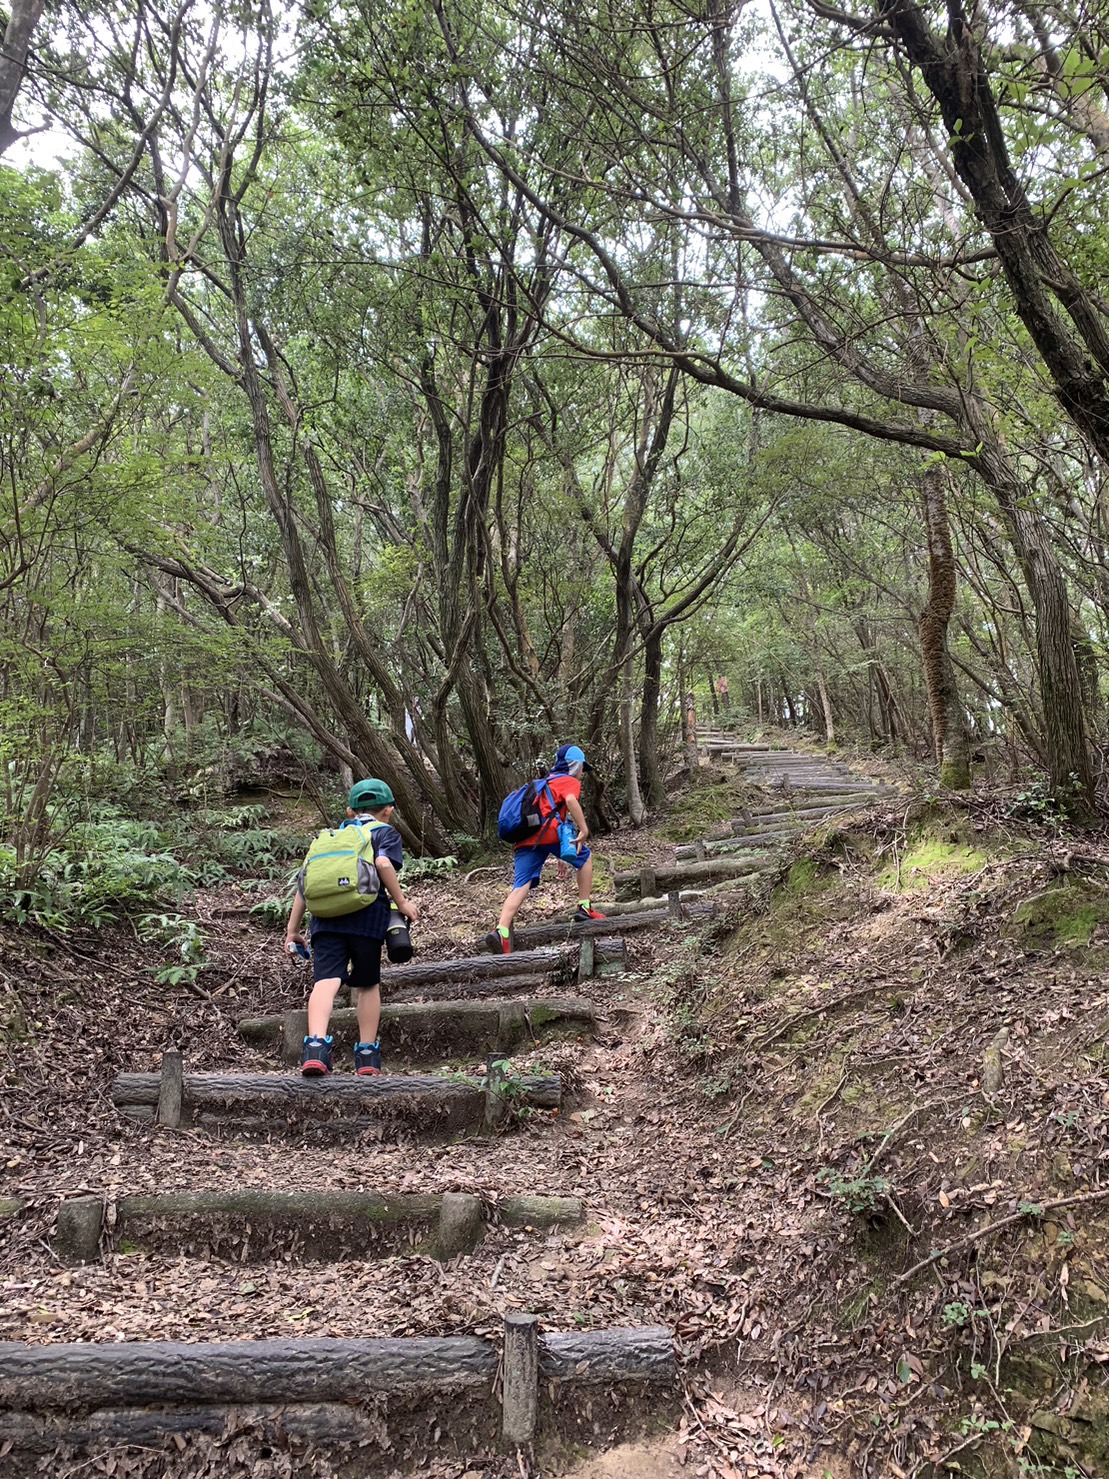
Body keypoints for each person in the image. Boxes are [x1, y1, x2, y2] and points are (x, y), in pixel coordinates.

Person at [285, 778, 419, 1077]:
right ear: (389, 811)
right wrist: (402, 902)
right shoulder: (385, 832)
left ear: (349, 811)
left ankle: (316, 1048)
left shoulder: (328, 838)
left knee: (325, 981)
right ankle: (367, 1056)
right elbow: (383, 865)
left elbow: (303, 885)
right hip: (367, 917)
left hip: (325, 919)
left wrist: (293, 930)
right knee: (367, 983)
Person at [487, 743, 605, 954]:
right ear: (574, 765)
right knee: (585, 858)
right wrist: (584, 829)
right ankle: (584, 906)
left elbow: (554, 811)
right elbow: (569, 801)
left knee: (521, 884)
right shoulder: (568, 781)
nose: (581, 774)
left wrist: (560, 853)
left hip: (526, 837)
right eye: (581, 769)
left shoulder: (545, 783)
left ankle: (502, 931)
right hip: (547, 833)